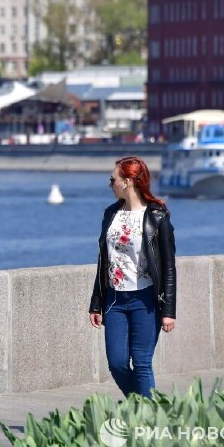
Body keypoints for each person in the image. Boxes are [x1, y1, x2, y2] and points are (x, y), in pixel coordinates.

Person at [88, 155, 177, 398]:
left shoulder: (157, 217)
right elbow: (103, 262)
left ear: (127, 181)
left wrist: (169, 311)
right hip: (114, 300)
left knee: (141, 364)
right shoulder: (110, 214)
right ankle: (144, 408)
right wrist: (96, 303)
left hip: (145, 299)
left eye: (113, 179)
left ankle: (148, 422)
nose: (110, 184)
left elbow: (168, 266)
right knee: (116, 364)